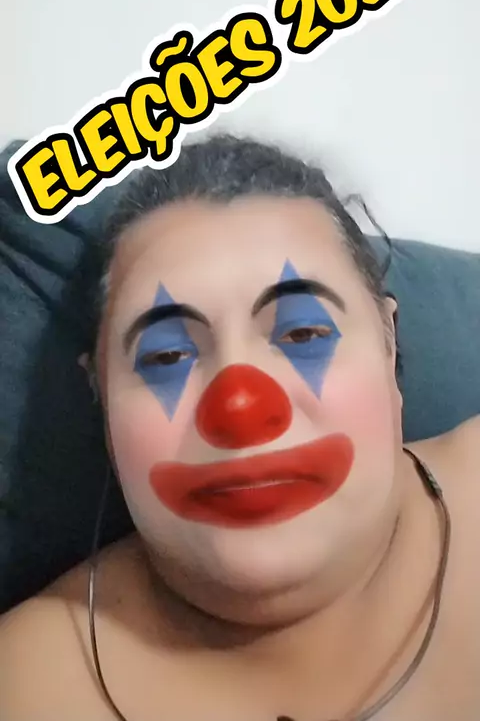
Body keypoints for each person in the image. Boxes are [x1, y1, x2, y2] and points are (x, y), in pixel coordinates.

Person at [0, 135, 479, 721]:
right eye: (166, 357)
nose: (241, 411)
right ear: (100, 396)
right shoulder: (24, 690)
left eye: (302, 334)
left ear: (388, 345)